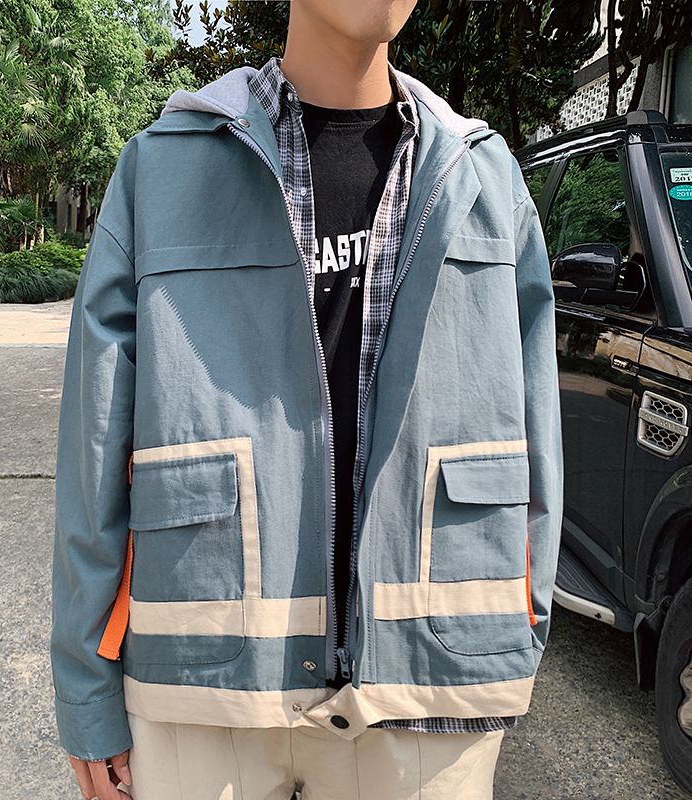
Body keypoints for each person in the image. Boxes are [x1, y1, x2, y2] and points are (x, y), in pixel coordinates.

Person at [50, 0, 564, 797]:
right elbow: (93, 447)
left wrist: (518, 630)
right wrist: (87, 689)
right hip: (205, 677)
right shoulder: (161, 170)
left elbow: (535, 436)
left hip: (430, 682)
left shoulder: (484, 177)